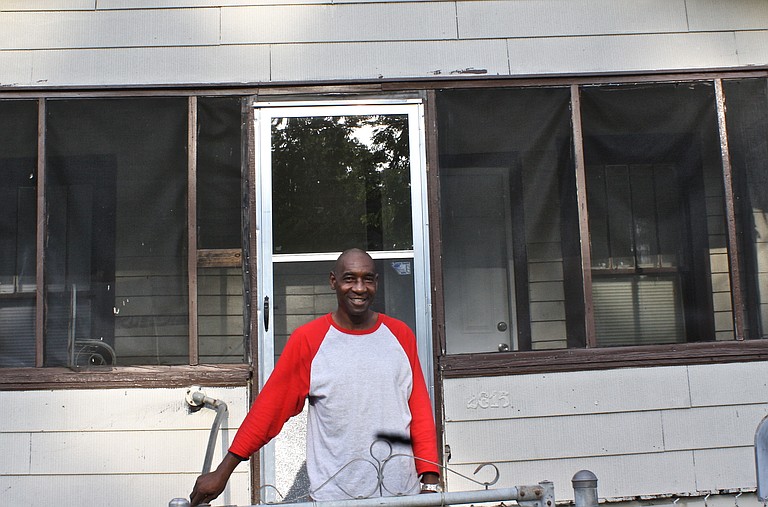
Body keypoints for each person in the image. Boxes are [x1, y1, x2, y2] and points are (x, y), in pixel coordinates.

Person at [190, 248, 440, 506]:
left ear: (376, 283)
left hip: (401, 493)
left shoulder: (400, 335)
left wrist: (430, 483)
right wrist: (223, 472)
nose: (359, 288)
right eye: (349, 278)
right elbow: (269, 411)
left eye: (367, 279)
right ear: (333, 281)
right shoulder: (309, 340)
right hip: (334, 498)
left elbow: (418, 411)